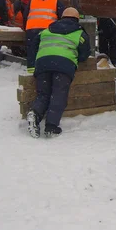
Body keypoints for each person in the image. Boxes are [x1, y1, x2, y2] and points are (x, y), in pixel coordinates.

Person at [27, 7, 91, 138]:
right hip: (64, 65)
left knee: (43, 94)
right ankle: (51, 126)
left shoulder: (46, 31)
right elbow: (84, 54)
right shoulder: (80, 33)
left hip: (43, 64)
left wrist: (32, 67)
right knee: (58, 94)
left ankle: (35, 113)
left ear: (61, 17)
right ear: (77, 19)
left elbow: (33, 45)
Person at [24, 0, 65, 73]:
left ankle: (31, 71)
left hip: (32, 29)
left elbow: (25, 15)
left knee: (32, 50)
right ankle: (44, 71)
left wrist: (25, 28)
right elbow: (62, 16)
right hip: (48, 30)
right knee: (47, 50)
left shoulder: (32, 0)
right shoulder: (56, 0)